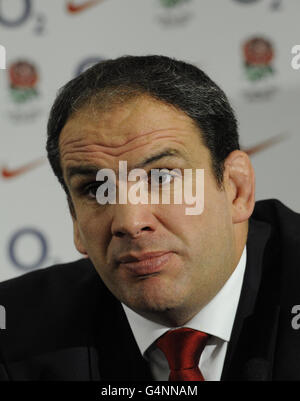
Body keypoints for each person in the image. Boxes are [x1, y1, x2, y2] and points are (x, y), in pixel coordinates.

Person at [0, 55, 300, 381]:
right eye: (95, 188)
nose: (129, 222)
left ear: (236, 190)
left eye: (161, 178)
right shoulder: (13, 336)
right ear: (75, 219)